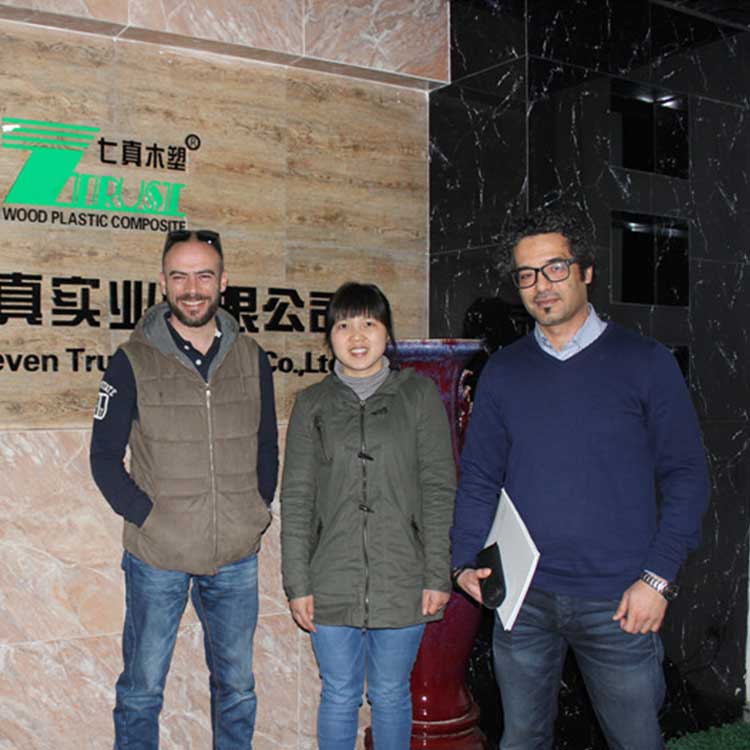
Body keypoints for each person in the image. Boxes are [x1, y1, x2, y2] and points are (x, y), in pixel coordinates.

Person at [450, 207, 710, 750]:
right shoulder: (505, 371)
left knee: (635, 741)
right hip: (524, 598)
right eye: (526, 274)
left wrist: (657, 580)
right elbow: (478, 476)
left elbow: (687, 476)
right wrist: (464, 558)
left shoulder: (645, 362)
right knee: (522, 739)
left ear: (586, 271)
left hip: (619, 599)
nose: (541, 285)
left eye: (555, 267)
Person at [90, 229, 278, 750]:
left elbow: (266, 445)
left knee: (237, 688)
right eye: (179, 276)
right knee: (142, 690)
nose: (191, 289)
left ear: (223, 280)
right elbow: (103, 458)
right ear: (163, 283)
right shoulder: (131, 359)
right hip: (158, 556)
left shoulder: (252, 357)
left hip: (236, 556)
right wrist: (148, 516)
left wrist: (256, 507)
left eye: (203, 275)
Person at [280, 281, 456, 750]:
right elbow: (296, 497)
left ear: (387, 332)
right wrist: (298, 583)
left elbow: (439, 489)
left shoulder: (418, 395)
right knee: (339, 693)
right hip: (330, 575)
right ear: (329, 337)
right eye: (343, 326)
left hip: (403, 573)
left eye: (368, 324)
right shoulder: (313, 404)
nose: (356, 336)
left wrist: (437, 573)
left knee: (391, 693)